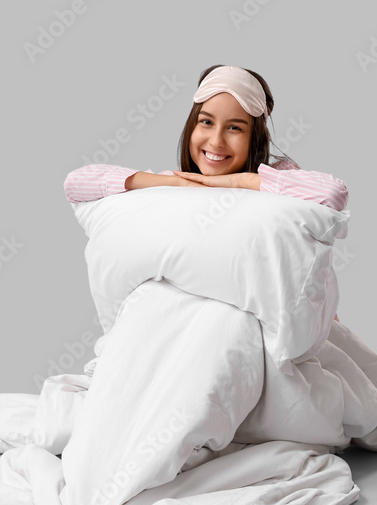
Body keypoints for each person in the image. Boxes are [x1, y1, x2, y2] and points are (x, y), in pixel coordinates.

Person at [64, 64, 346, 322]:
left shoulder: (275, 178)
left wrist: (239, 181)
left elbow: (332, 193)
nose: (216, 141)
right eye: (206, 122)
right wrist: (175, 183)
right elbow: (76, 183)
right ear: (192, 126)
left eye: (234, 128)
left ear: (254, 137)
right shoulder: (176, 186)